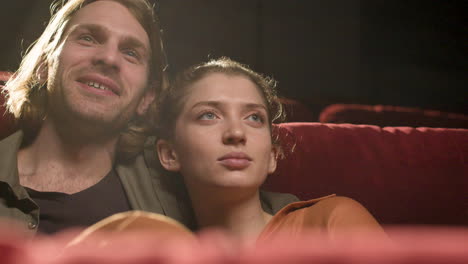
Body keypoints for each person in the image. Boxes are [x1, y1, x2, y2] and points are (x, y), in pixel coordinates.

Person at [0, 0, 297, 236]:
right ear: (42, 65)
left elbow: (265, 214)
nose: (109, 59)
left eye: (130, 53)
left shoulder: (176, 173)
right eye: (89, 38)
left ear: (147, 98)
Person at [155, 57, 387, 243]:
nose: (236, 133)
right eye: (209, 115)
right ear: (169, 154)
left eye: (254, 117)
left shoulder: (330, 221)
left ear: (272, 157)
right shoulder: (166, 252)